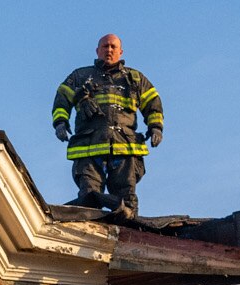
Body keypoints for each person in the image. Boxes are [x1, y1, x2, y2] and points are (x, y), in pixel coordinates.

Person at [51, 34, 164, 217]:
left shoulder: (135, 79)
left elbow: (153, 104)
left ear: (120, 51)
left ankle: (128, 235)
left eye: (113, 47)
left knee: (126, 201)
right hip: (89, 148)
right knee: (88, 198)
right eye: (105, 46)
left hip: (125, 149)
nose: (109, 50)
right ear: (97, 51)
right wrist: (60, 122)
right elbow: (62, 100)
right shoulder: (80, 76)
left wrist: (156, 127)